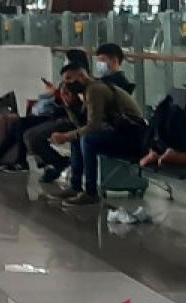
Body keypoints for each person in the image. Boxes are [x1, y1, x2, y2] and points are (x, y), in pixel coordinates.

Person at [46, 64, 147, 206]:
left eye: (69, 79)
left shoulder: (95, 90)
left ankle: (90, 192)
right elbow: (81, 126)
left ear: (82, 76)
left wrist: (65, 137)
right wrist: (67, 105)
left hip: (134, 137)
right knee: (79, 138)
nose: (67, 84)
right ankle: (75, 186)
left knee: (87, 140)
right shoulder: (88, 90)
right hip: (122, 133)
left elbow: (94, 126)